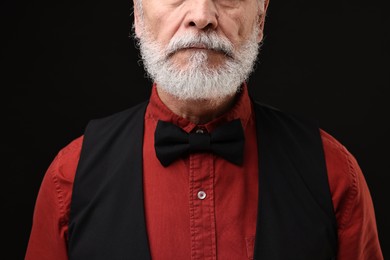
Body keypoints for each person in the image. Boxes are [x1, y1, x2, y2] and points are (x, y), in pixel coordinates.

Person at [25, 0, 384, 259]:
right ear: (137, 14)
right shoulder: (68, 177)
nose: (201, 15)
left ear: (260, 18)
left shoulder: (335, 173)